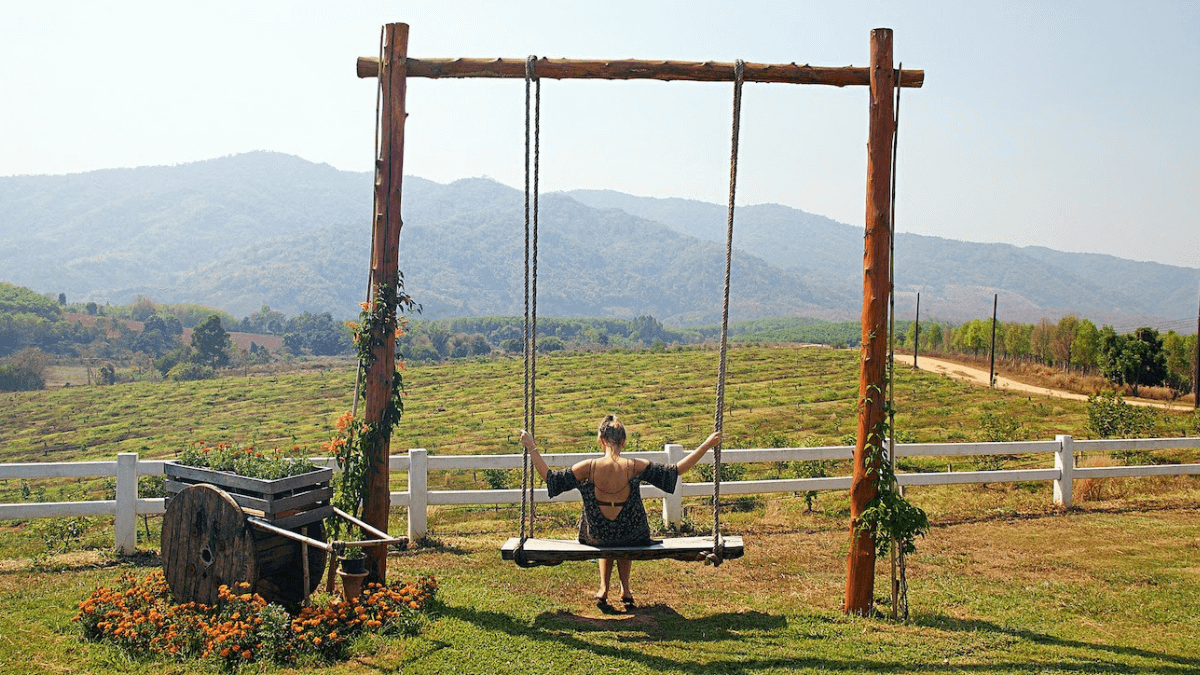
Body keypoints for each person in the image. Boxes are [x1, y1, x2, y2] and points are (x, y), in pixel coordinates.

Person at [519, 415, 721, 609]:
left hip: (598, 536)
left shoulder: (588, 467)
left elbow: (551, 479)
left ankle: (604, 588)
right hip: (632, 536)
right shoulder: (635, 466)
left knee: (607, 532)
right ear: (623, 441)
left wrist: (532, 447)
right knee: (626, 527)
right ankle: (625, 588)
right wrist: (706, 445)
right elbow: (676, 470)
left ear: (601, 439)